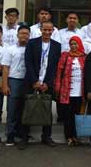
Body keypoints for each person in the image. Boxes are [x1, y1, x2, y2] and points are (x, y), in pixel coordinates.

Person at [19, 21, 61, 150]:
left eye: (50, 30)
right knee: (27, 108)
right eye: (45, 30)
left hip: (47, 83)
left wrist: (48, 83)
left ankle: (46, 136)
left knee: (46, 109)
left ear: (53, 30)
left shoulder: (56, 45)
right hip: (32, 81)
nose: (47, 32)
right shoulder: (32, 43)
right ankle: (24, 137)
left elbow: (55, 66)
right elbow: (28, 62)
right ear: (41, 30)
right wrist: (34, 81)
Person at [1, 25, 30, 147]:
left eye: (26, 33)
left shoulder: (32, 48)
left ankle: (23, 135)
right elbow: (5, 68)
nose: (24, 35)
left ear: (29, 35)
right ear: (17, 35)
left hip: (28, 82)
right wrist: (5, 84)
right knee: (12, 110)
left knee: (25, 110)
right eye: (21, 33)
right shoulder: (11, 49)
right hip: (14, 81)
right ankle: (10, 135)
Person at [54, 36, 86, 147]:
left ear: (79, 44)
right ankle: (68, 137)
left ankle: (76, 136)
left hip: (79, 92)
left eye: (76, 43)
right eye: (71, 44)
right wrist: (57, 87)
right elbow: (59, 72)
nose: (73, 46)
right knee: (68, 115)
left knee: (77, 115)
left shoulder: (83, 57)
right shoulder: (65, 56)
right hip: (67, 91)